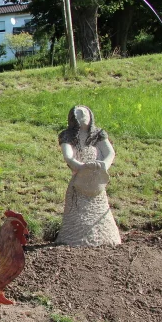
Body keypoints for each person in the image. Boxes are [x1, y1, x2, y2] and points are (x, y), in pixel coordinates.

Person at [56, 105, 121, 246]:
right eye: (78, 114)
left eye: (85, 113)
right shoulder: (68, 136)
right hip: (79, 180)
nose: (83, 116)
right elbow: (68, 156)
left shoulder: (98, 134)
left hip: (96, 180)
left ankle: (105, 237)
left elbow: (110, 153)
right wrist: (80, 167)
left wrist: (102, 167)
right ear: (73, 119)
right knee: (77, 210)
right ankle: (75, 239)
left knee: (100, 206)